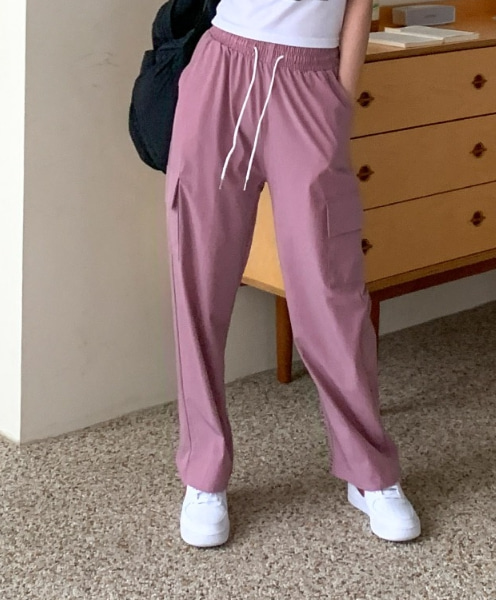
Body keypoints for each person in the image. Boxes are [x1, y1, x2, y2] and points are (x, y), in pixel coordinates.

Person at [164, 0, 421, 547]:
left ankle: (369, 471)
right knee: (199, 280)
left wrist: (339, 97)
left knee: (332, 288)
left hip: (310, 80)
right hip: (222, 68)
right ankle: (203, 474)